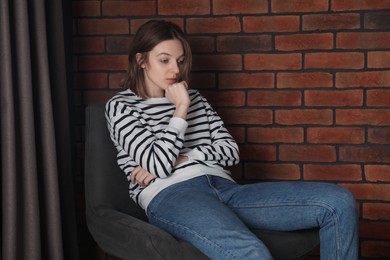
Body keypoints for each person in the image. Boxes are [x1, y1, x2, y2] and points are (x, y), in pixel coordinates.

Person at [105, 20, 358, 260]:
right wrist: (180, 108)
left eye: (180, 61)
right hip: (172, 195)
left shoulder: (197, 99)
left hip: (225, 188)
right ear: (141, 61)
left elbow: (230, 151)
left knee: (338, 203)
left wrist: (185, 157)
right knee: (251, 252)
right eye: (164, 60)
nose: (176, 69)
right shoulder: (121, 107)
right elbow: (160, 166)